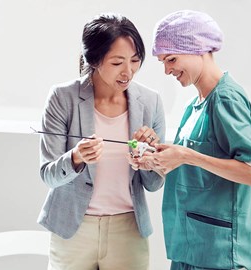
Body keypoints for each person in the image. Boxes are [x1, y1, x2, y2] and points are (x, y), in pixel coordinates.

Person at [130, 10, 251, 270]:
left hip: (218, 253)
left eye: (171, 59)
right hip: (191, 247)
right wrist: (156, 159)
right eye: (163, 61)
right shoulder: (195, 104)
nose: (167, 70)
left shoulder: (226, 99)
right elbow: (197, 170)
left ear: (198, 48)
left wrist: (186, 155)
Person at [37, 13, 165, 270]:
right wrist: (75, 157)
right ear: (94, 60)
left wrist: (150, 159)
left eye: (135, 60)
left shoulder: (150, 102)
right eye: (117, 62)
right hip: (73, 228)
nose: (128, 71)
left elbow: (154, 184)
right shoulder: (63, 98)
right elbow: (48, 175)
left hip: (128, 230)